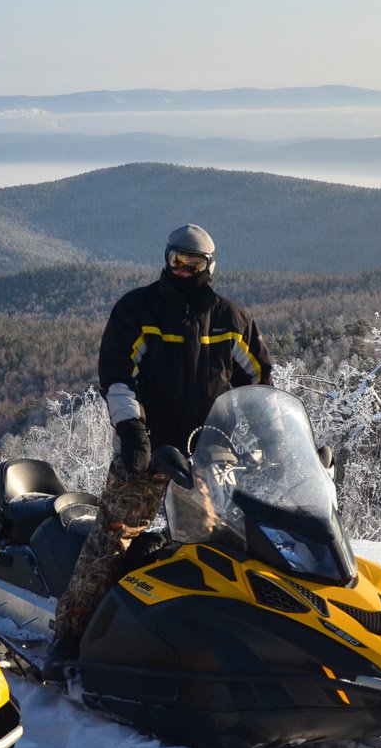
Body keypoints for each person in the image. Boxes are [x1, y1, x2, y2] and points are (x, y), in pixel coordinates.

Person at [48, 222, 270, 675]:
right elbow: (117, 375)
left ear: (211, 266)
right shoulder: (138, 310)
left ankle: (208, 636)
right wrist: (133, 431)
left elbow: (260, 383)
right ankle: (70, 636)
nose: (184, 270)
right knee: (114, 537)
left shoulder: (233, 319)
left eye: (194, 263)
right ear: (166, 259)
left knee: (216, 545)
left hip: (208, 453)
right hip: (148, 449)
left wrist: (258, 437)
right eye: (176, 260)